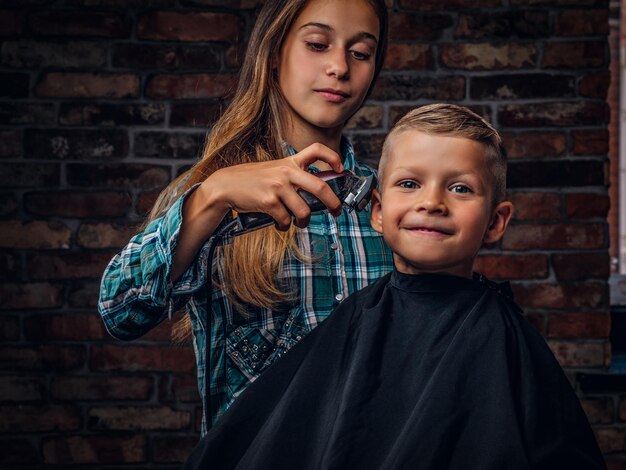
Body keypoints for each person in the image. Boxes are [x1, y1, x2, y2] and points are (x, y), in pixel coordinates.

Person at [183, 104, 607, 470]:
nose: (431, 202)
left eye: (460, 188)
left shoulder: (502, 339)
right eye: (409, 183)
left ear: (496, 222)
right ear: (379, 213)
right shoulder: (355, 320)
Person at [97, 0, 393, 434]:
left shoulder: (392, 203)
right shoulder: (214, 193)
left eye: (360, 52)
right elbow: (119, 312)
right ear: (274, 54)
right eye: (317, 43)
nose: (339, 66)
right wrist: (212, 196)